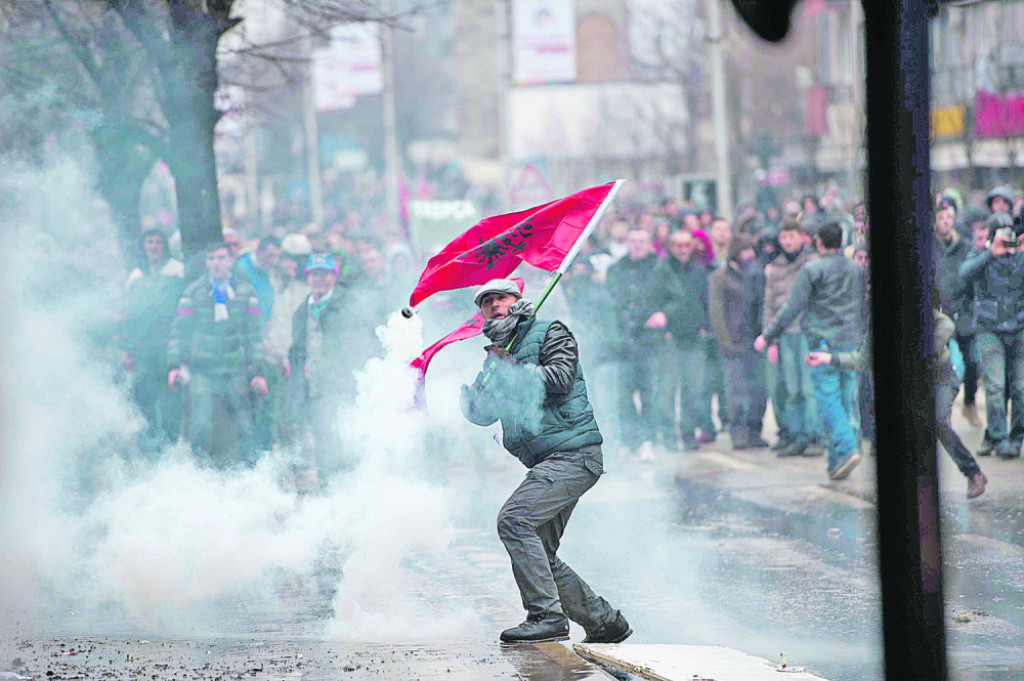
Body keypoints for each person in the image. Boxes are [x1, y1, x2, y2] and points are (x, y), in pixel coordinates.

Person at [459, 278, 631, 645]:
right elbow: (481, 414)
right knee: (537, 549)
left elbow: (559, 378)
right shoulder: (498, 352)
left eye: (500, 298)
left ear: (517, 301)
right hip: (549, 461)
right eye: (486, 302)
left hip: (573, 454)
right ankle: (604, 621)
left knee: (514, 520)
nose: (493, 305)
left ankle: (545, 616)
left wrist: (513, 370)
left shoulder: (550, 331)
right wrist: (473, 393)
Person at [807, 307, 987, 499]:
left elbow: (947, 324)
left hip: (941, 377)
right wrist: (830, 358)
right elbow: (864, 359)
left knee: (938, 421)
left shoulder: (913, 304)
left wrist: (924, 352)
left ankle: (973, 473)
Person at [755, 221, 864, 480]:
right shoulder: (856, 269)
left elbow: (791, 307)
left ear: (818, 242)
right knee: (847, 399)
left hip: (821, 342)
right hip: (850, 342)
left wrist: (768, 335)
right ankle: (836, 460)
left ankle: (847, 449)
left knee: (829, 401)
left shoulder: (811, 270)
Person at [167, 242, 267, 464]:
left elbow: (253, 335)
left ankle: (254, 473)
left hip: (235, 369)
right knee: (200, 425)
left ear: (231, 261)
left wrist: (258, 372)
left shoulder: (245, 291)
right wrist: (174, 365)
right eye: (211, 259)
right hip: (203, 369)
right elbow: (179, 330)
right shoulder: (193, 291)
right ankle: (197, 474)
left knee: (245, 425)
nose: (216, 264)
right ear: (206, 263)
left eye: (221, 258)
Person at [959, 213, 1024, 459]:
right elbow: (964, 274)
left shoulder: (1019, 256)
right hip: (989, 330)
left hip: (1018, 328)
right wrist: (990, 253)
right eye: (1002, 230)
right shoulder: (980, 255)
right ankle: (998, 438)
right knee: (995, 387)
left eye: (1010, 230)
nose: (1006, 234)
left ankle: (1016, 438)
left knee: (1020, 388)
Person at [288, 253, 351, 477]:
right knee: (322, 441)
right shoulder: (300, 312)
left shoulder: (346, 305)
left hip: (340, 387)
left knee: (344, 440)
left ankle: (348, 487)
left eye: (324, 274)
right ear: (307, 277)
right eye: (314, 274)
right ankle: (327, 491)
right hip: (312, 388)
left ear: (333, 276)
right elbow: (296, 353)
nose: (319, 280)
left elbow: (354, 345)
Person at [120, 228, 185, 446]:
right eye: (149, 242)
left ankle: (170, 447)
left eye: (158, 242)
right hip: (144, 350)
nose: (154, 246)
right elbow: (130, 315)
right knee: (144, 402)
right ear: (144, 246)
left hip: (169, 348)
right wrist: (129, 349)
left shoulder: (176, 272)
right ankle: (151, 451)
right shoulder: (136, 277)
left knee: (170, 405)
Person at [762, 219, 820, 456]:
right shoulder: (774, 267)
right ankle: (797, 437)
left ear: (801, 237)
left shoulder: (813, 263)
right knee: (791, 389)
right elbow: (768, 306)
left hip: (807, 333)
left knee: (809, 389)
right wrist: (771, 339)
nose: (787, 241)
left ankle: (815, 437)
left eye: (792, 236)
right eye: (783, 237)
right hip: (785, 335)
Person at [606, 229, 665, 458]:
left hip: (650, 342)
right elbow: (608, 304)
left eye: (642, 241)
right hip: (622, 343)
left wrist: (663, 315)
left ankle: (648, 440)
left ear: (649, 244)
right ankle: (630, 440)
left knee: (650, 393)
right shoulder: (616, 269)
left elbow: (674, 297)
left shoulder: (659, 268)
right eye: (633, 241)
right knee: (623, 394)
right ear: (627, 244)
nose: (637, 245)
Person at [652, 230, 712, 450]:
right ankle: (668, 437)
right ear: (671, 247)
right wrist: (663, 327)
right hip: (670, 338)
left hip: (694, 337)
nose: (683, 250)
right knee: (667, 391)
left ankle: (688, 434)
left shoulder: (698, 269)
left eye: (687, 246)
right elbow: (654, 301)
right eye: (679, 246)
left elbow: (705, 299)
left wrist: (705, 325)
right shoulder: (662, 270)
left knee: (693, 390)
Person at [709, 234, 768, 449]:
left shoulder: (755, 274)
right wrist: (725, 341)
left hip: (754, 341)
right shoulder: (720, 276)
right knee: (736, 391)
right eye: (745, 251)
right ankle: (738, 432)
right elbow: (716, 312)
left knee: (759, 390)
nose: (750, 255)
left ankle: (755, 431)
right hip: (733, 342)